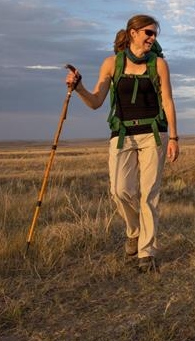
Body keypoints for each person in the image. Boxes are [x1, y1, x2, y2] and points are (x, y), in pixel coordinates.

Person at [66, 14, 179, 273]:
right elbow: (96, 101)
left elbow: (168, 101)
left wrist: (174, 137)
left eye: (155, 34)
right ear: (133, 33)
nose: (153, 38)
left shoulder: (159, 64)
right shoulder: (112, 63)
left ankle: (146, 252)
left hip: (154, 133)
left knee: (149, 194)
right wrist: (79, 87)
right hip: (122, 134)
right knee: (119, 190)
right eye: (148, 33)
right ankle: (134, 231)